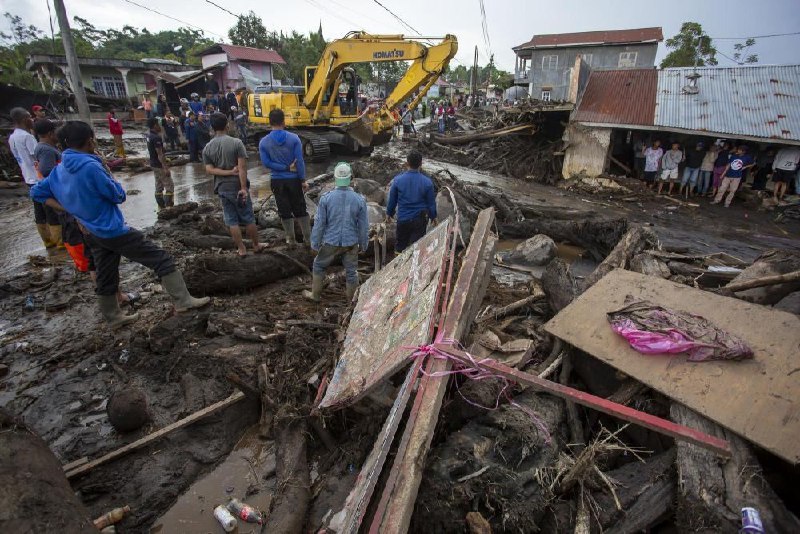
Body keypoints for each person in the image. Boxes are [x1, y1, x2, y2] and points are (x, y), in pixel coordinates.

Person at [30, 121, 209, 328]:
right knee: (161, 259)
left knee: (106, 275)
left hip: (91, 232)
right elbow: (118, 195)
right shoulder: (90, 166)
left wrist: (72, 209)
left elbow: (36, 192)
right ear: (90, 140)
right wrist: (107, 171)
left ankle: (113, 318)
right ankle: (183, 301)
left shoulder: (59, 170)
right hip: (112, 229)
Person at [303, 162, 369, 303]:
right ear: (351, 178)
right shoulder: (359, 200)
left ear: (335, 178)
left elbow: (320, 224)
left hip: (331, 241)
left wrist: (315, 244)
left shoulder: (326, 198)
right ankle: (351, 302)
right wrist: (364, 245)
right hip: (351, 242)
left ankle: (315, 295)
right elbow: (363, 226)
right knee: (352, 272)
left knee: (319, 265)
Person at [203, 112, 264, 257]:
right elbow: (242, 168)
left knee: (231, 220)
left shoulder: (208, 147)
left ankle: (241, 248)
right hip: (237, 186)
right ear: (227, 125)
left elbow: (209, 170)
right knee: (248, 217)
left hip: (222, 187)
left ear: (212, 128)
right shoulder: (236, 143)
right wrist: (243, 187)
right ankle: (256, 245)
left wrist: (226, 173)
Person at [258, 109, 311, 246]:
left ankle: (290, 240)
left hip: (277, 180)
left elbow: (266, 163)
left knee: (284, 210)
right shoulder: (294, 139)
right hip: (293, 180)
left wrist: (283, 168)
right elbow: (299, 161)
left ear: (270, 122)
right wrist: (303, 180)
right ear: (284, 121)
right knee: (300, 209)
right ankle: (307, 239)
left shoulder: (264, 142)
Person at [9, 108, 57, 248]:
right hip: (39, 178)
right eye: (29, 117)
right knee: (50, 209)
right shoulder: (27, 137)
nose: (32, 120)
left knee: (39, 211)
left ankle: (48, 241)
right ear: (24, 119)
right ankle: (59, 241)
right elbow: (38, 157)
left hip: (28, 177)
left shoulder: (12, 137)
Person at [386, 151, 437, 253]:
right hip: (419, 220)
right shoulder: (427, 182)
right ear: (421, 164)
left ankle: (398, 267)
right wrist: (433, 216)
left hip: (403, 219)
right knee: (416, 248)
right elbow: (431, 203)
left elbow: (392, 200)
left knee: (400, 247)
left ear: (407, 163)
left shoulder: (397, 180)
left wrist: (389, 213)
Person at [31, 118, 64, 248]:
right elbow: (46, 170)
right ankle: (61, 243)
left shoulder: (42, 147)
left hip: (47, 187)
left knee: (50, 215)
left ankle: (53, 243)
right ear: (51, 133)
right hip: (52, 189)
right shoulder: (47, 150)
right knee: (56, 216)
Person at [146, 118, 174, 209]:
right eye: (158, 124)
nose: (160, 126)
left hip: (153, 164)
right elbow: (160, 154)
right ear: (155, 125)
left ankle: (161, 208)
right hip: (159, 164)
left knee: (158, 185)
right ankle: (169, 207)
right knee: (169, 185)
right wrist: (165, 167)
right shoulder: (156, 138)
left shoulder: (149, 135)